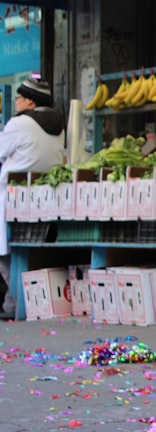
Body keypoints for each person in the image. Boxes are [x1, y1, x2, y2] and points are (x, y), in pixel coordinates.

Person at [0, 77, 65, 319]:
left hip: (9, 197)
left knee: (4, 254)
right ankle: (10, 303)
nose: (16, 101)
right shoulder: (57, 125)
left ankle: (14, 303)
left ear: (29, 100)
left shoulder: (20, 124)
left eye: (18, 97)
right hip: (40, 196)